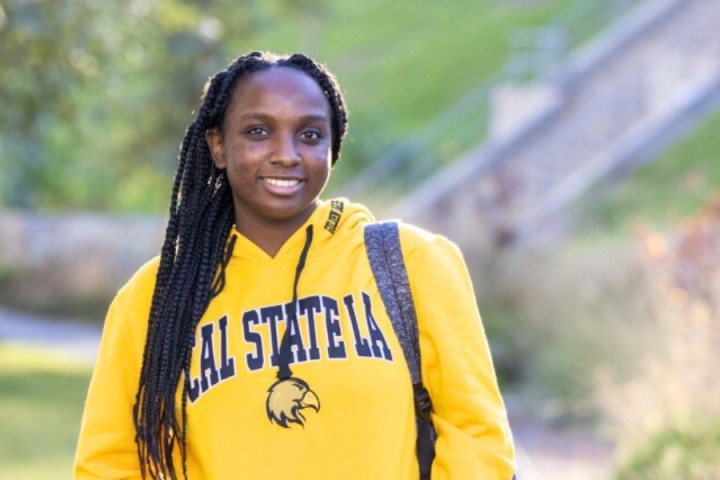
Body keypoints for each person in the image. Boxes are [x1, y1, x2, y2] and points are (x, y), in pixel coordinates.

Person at [74, 50, 516, 479]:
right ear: (218, 146)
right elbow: (110, 464)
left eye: (309, 135)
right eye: (258, 131)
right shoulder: (155, 298)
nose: (286, 154)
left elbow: (477, 437)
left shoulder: (412, 263)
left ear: (333, 146)